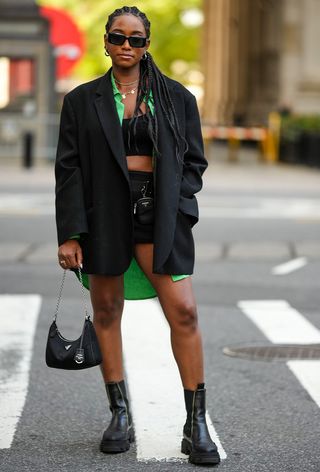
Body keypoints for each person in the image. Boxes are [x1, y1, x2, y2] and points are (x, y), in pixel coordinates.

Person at [55, 5, 220, 466]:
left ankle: (196, 423)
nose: (126, 46)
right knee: (106, 310)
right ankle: (120, 415)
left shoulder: (176, 97)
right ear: (105, 41)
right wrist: (70, 233)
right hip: (103, 213)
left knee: (184, 312)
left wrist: (180, 205)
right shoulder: (81, 99)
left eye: (136, 39)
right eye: (118, 37)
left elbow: (194, 163)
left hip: (159, 215)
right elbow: (68, 170)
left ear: (148, 45)